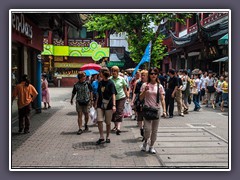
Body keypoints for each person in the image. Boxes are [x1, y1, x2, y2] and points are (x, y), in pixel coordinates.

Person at [139, 68, 166, 154]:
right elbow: (140, 98)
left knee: (154, 130)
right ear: (149, 75)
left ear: (157, 75)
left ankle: (151, 146)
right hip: (147, 109)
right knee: (147, 129)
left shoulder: (160, 86)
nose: (153, 75)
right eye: (151, 73)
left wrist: (164, 110)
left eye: (155, 73)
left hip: (156, 110)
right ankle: (145, 142)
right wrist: (145, 91)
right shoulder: (145, 85)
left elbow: (162, 99)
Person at [95, 67, 117, 145]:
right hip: (100, 104)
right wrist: (96, 103)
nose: (99, 74)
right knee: (99, 120)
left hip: (109, 105)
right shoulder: (100, 83)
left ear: (103, 73)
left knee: (108, 122)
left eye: (100, 72)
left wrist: (114, 105)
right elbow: (98, 94)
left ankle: (108, 136)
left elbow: (113, 94)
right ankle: (101, 137)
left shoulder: (111, 83)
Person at [110, 66, 129, 135]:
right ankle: (115, 126)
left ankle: (118, 128)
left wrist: (127, 96)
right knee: (114, 113)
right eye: (113, 71)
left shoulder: (122, 79)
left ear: (118, 72)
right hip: (112, 98)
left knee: (119, 111)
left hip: (121, 97)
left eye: (115, 71)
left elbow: (125, 88)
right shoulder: (110, 79)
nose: (114, 72)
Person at [131, 70, 148, 140]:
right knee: (139, 116)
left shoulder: (149, 84)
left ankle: (144, 129)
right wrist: (132, 101)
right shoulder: (138, 83)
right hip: (139, 101)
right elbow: (135, 93)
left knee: (146, 117)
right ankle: (141, 128)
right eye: (142, 75)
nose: (142, 77)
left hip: (147, 102)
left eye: (144, 75)